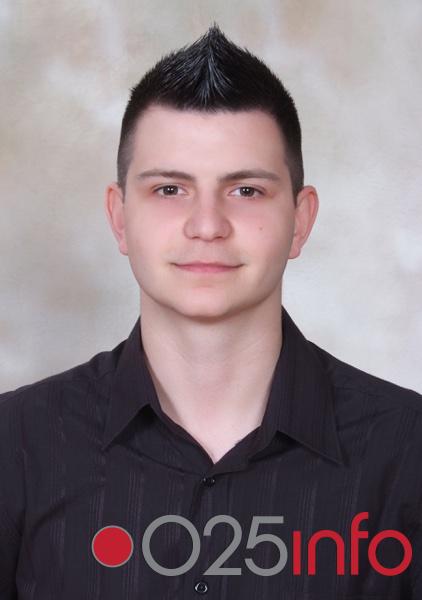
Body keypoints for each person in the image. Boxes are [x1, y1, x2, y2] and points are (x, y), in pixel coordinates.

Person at [0, 23, 421, 599]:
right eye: (169, 189)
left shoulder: (407, 451)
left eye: (246, 191)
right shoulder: (15, 444)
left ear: (300, 220)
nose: (207, 225)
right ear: (120, 218)